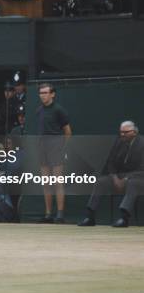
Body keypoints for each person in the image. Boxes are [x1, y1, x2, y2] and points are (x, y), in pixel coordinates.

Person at [78, 121, 144, 228]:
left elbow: (142, 168)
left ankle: (124, 218)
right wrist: (114, 178)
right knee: (101, 182)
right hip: (119, 177)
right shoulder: (119, 142)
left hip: (139, 179)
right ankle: (90, 217)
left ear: (134, 132)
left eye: (126, 132)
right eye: (121, 132)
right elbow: (110, 162)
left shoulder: (142, 144)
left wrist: (126, 179)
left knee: (133, 184)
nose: (122, 135)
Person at [36, 83, 72, 224]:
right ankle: (48, 214)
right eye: (41, 93)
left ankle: (60, 214)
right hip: (42, 148)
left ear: (52, 94)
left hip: (56, 147)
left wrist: (63, 148)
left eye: (45, 92)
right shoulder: (38, 110)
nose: (43, 95)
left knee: (57, 182)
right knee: (46, 182)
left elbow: (68, 132)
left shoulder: (59, 110)